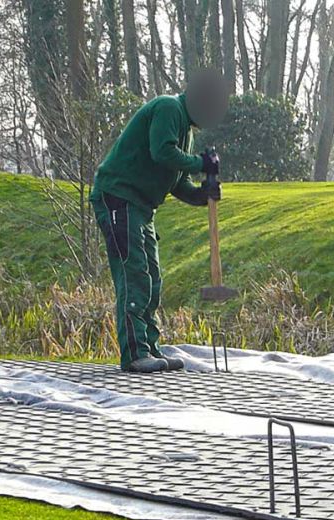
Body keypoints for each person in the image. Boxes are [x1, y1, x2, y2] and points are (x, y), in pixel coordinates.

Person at [90, 70, 230, 373]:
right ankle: (135, 354)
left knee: (152, 277)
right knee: (134, 273)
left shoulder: (186, 131)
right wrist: (200, 163)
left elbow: (175, 182)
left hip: (142, 207)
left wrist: (202, 194)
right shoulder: (169, 108)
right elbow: (162, 153)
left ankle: (150, 347)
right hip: (119, 197)